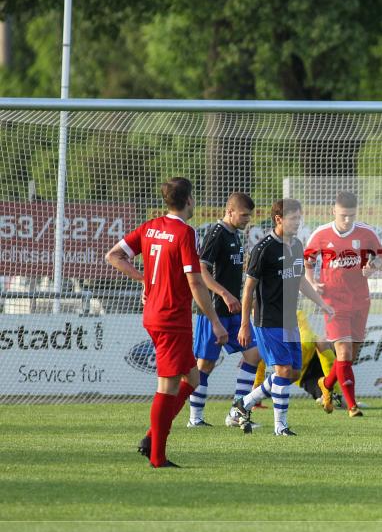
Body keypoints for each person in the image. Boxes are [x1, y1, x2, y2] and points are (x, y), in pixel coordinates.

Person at [105, 177, 228, 468]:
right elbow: (195, 282)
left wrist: (145, 280)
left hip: (156, 314)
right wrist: (215, 321)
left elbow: (114, 256)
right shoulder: (186, 232)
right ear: (189, 200)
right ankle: (157, 457)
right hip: (172, 316)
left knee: (193, 378)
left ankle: (152, 437)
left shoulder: (150, 227)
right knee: (167, 386)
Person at [231, 199, 334, 435]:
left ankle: (243, 404)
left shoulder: (296, 245)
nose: (297, 223)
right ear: (278, 219)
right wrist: (245, 324)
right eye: (293, 218)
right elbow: (248, 290)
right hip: (267, 320)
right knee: (284, 371)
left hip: (289, 319)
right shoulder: (263, 249)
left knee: (293, 373)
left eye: (299, 218)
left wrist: (321, 304)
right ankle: (281, 427)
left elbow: (299, 280)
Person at [183, 192, 264, 429]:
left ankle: (236, 412)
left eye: (249, 215)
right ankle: (195, 418)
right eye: (243, 215)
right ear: (230, 211)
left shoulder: (236, 235)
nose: (247, 219)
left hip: (233, 311)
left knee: (253, 353)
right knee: (205, 364)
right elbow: (201, 270)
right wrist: (224, 294)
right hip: (213, 311)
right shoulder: (216, 234)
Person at [304, 191, 382, 418]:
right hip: (332, 301)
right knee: (344, 350)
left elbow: (381, 256)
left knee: (351, 356)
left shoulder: (366, 233)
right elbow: (307, 261)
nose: (347, 220)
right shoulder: (321, 234)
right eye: (343, 215)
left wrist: (373, 266)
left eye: (351, 215)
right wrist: (313, 283)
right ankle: (352, 406)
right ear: (334, 211)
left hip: (360, 300)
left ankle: (326, 384)